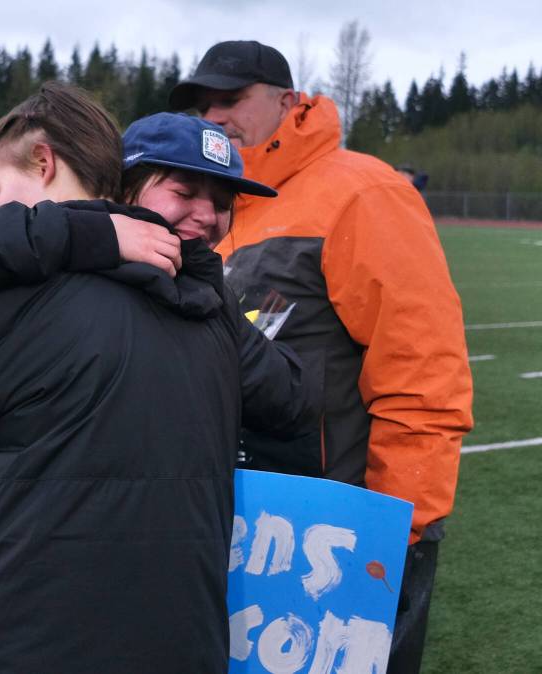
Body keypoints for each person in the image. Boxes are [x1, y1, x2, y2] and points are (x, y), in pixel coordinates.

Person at [0, 83, 313, 673]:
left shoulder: (17, 303)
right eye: (184, 191)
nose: (206, 215)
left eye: (222, 199)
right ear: (128, 190)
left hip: (5, 643)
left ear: (48, 165)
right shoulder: (208, 311)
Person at [168, 40, 474, 672]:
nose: (214, 115)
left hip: (341, 523)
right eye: (202, 104)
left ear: (289, 100)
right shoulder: (213, 207)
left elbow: (422, 369)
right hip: (243, 521)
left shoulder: (362, 192)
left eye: (231, 98)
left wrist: (399, 524)